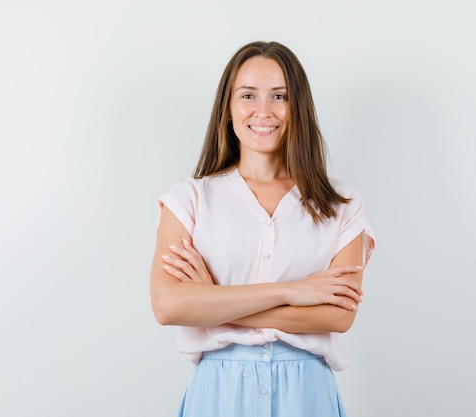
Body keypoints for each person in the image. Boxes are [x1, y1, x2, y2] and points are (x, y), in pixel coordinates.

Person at [150, 41, 375, 417]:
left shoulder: (341, 203)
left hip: (306, 394)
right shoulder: (189, 199)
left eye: (279, 96)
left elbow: (338, 316)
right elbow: (168, 305)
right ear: (228, 108)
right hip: (219, 392)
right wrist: (294, 292)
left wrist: (212, 301)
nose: (263, 111)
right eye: (248, 95)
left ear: (297, 108)